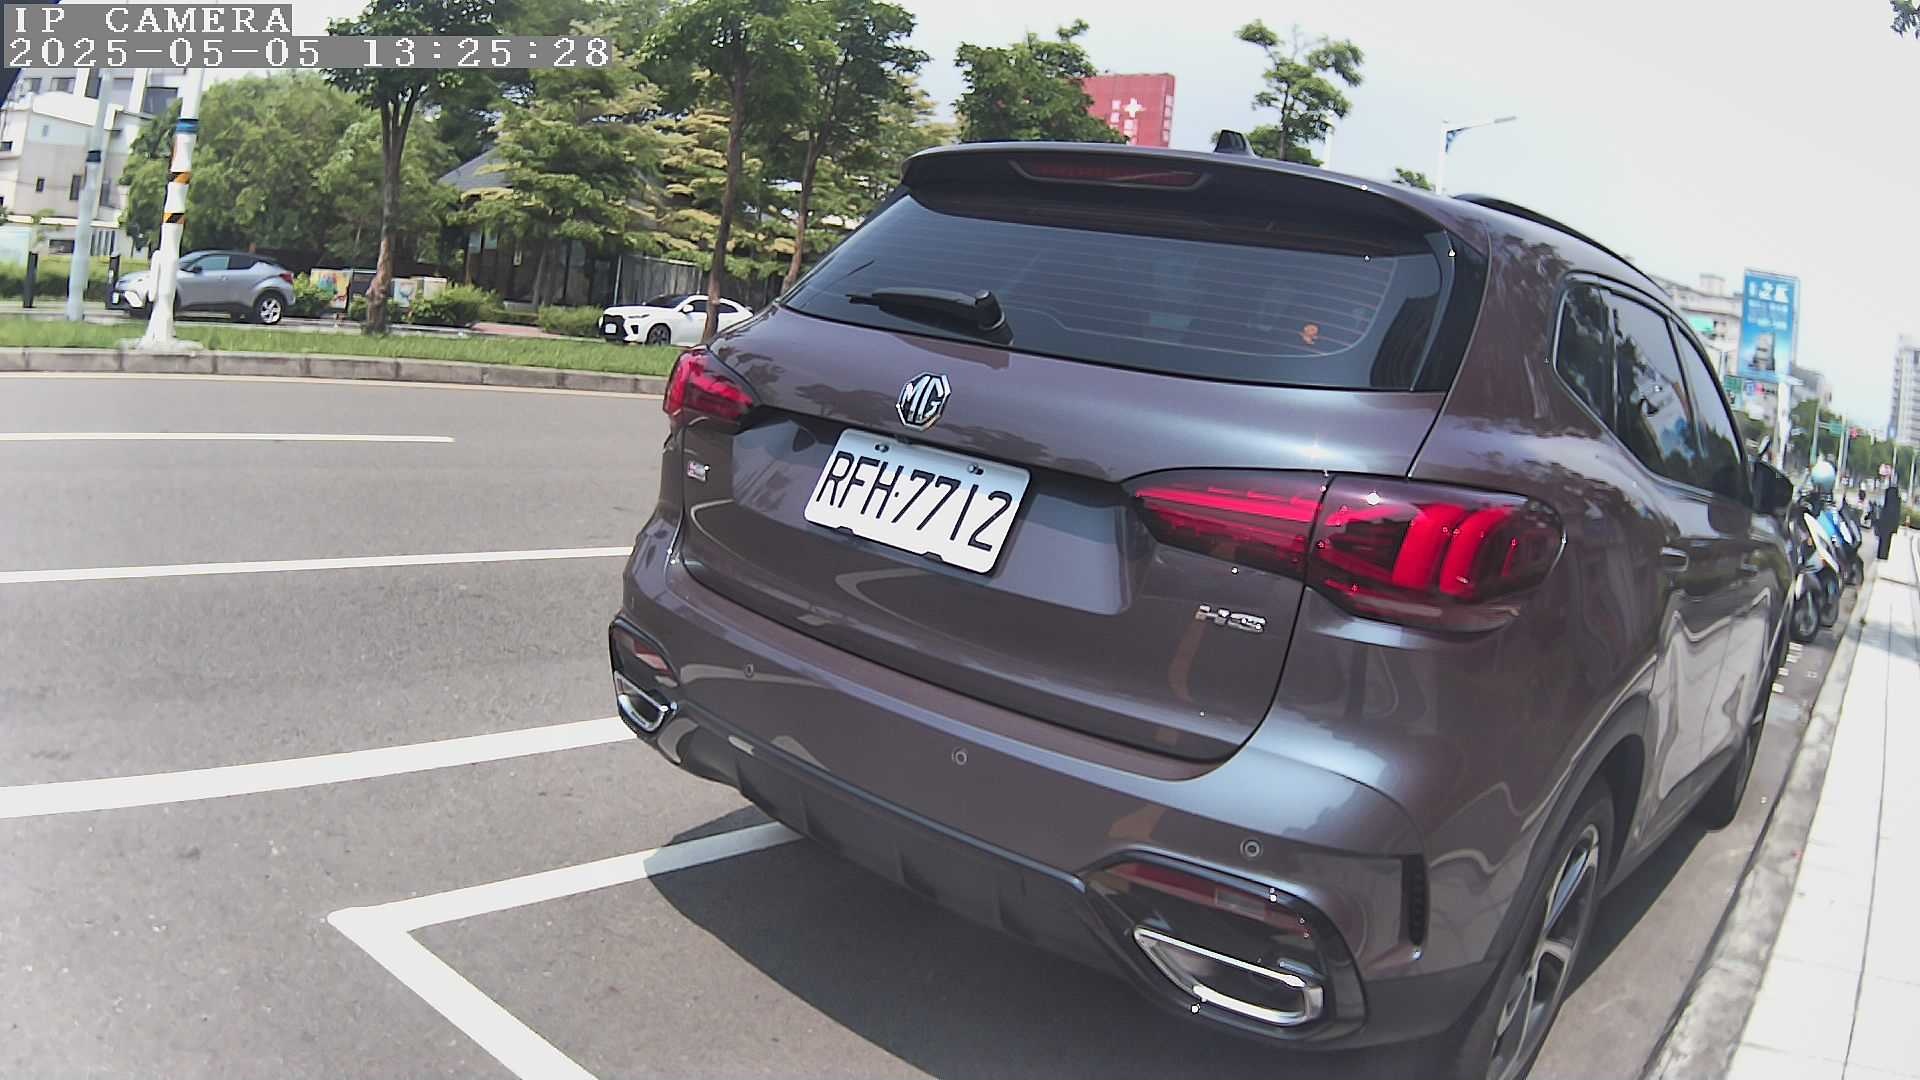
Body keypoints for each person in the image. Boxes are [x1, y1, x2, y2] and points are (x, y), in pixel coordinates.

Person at [1879, 481, 1903, 560]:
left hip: (1885, 521)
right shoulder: (1897, 500)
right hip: (1891, 522)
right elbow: (1897, 513)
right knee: (1888, 540)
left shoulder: (1888, 496)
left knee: (1883, 539)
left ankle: (1881, 554)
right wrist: (1895, 527)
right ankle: (1884, 555)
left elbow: (1883, 509)